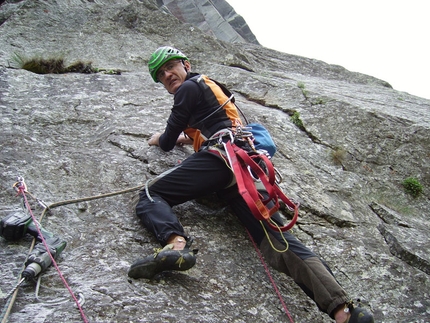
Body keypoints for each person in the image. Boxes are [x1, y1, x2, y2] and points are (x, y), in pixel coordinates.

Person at [128, 46, 374, 323]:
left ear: (185, 64)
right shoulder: (209, 87)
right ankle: (343, 311)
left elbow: (169, 138)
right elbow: (213, 125)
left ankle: (175, 245)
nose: (167, 75)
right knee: (278, 241)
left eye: (170, 67)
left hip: (220, 161)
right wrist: (188, 139)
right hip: (244, 171)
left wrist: (158, 138)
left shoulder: (187, 88)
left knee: (151, 192)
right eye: (161, 75)